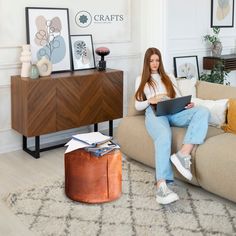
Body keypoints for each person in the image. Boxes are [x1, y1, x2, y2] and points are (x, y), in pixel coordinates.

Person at [135, 48, 210, 205]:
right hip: (155, 112)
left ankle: (183, 154)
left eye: (157, 60)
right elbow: (137, 105)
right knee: (164, 135)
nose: (155, 64)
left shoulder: (168, 76)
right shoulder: (141, 79)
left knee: (202, 111)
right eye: (151, 61)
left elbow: (176, 95)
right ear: (147, 62)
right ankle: (162, 186)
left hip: (174, 110)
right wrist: (151, 100)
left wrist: (186, 104)